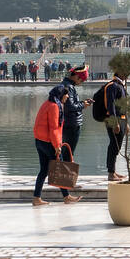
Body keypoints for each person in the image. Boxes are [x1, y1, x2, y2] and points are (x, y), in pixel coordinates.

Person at [48, 66, 91, 202]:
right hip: (71, 125)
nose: (80, 82)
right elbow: (70, 107)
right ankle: (66, 185)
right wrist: (83, 105)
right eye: (80, 80)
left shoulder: (67, 85)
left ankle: (68, 183)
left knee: (67, 154)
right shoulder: (68, 87)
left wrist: (81, 103)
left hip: (69, 124)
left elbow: (70, 103)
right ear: (76, 77)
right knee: (68, 154)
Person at [31, 92, 66, 207]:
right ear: (61, 95)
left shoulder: (46, 103)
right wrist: (57, 146)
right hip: (49, 143)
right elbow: (54, 128)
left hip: (40, 141)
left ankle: (37, 198)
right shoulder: (55, 106)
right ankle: (67, 197)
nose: (68, 96)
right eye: (66, 94)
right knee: (59, 169)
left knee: (44, 171)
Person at [95, 69, 129, 181]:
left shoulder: (120, 86)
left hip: (121, 119)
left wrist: (126, 123)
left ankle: (113, 171)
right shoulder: (113, 86)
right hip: (114, 119)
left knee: (117, 146)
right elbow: (111, 105)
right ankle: (110, 173)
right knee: (114, 145)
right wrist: (115, 123)